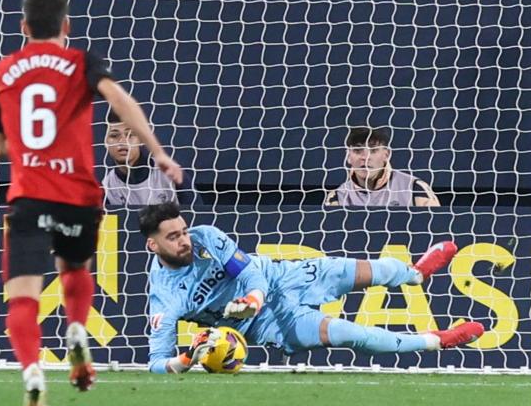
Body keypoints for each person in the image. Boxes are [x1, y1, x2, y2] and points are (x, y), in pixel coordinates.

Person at [0, 0, 182, 406]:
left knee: (22, 297)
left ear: (23, 28)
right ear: (66, 27)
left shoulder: (5, 71)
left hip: (28, 197)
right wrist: (158, 151)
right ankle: (76, 328)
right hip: (77, 195)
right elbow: (118, 99)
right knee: (75, 268)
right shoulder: (80, 61)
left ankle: (33, 374)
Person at [140, 203, 483, 373]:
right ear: (153, 246)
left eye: (183, 230)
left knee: (365, 268)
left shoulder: (206, 238)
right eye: (173, 237)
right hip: (267, 323)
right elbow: (156, 362)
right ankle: (436, 341)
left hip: (279, 277)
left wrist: (254, 297)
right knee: (352, 335)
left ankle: (416, 275)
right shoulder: (166, 298)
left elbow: (248, 276)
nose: (185, 240)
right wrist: (185, 360)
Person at [325, 126, 440, 208]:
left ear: (387, 155)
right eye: (358, 150)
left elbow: (436, 229)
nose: (365, 157)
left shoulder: (414, 188)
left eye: (373, 150)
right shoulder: (338, 196)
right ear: (348, 156)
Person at [103, 111, 186, 208]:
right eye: (114, 136)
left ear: (141, 140)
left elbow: (198, 216)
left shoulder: (170, 173)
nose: (122, 141)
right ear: (105, 141)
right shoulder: (107, 186)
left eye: (130, 135)